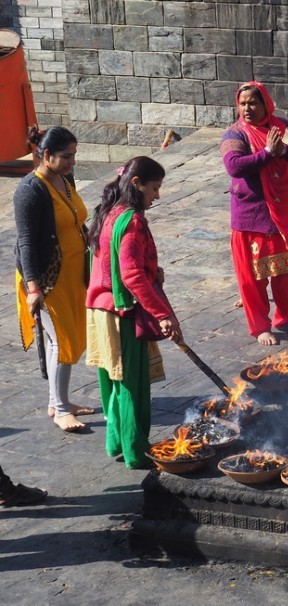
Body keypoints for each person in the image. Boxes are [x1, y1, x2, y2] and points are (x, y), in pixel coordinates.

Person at [85, 156, 182, 469]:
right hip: (121, 313)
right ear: (137, 183)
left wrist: (154, 270)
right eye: (154, 188)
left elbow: (117, 262)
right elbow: (131, 276)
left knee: (112, 383)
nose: (157, 195)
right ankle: (136, 451)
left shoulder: (109, 212)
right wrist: (163, 314)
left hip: (99, 309)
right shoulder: (133, 221)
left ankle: (116, 442)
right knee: (132, 386)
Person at [221, 81, 288, 346]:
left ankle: (286, 319)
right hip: (253, 217)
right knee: (253, 280)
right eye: (242, 103)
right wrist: (266, 153)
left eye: (253, 102)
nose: (247, 108)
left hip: (286, 213)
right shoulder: (235, 134)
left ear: (266, 103)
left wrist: (282, 150)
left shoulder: (281, 127)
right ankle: (260, 327)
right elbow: (235, 167)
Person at [14, 126, 94, 432]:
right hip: (47, 277)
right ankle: (61, 410)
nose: (72, 161)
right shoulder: (30, 191)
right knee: (60, 339)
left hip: (73, 273)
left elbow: (76, 218)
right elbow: (26, 243)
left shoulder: (64, 178)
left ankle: (56, 400)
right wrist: (33, 288)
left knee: (66, 336)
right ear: (46, 155)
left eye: (74, 155)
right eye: (66, 156)